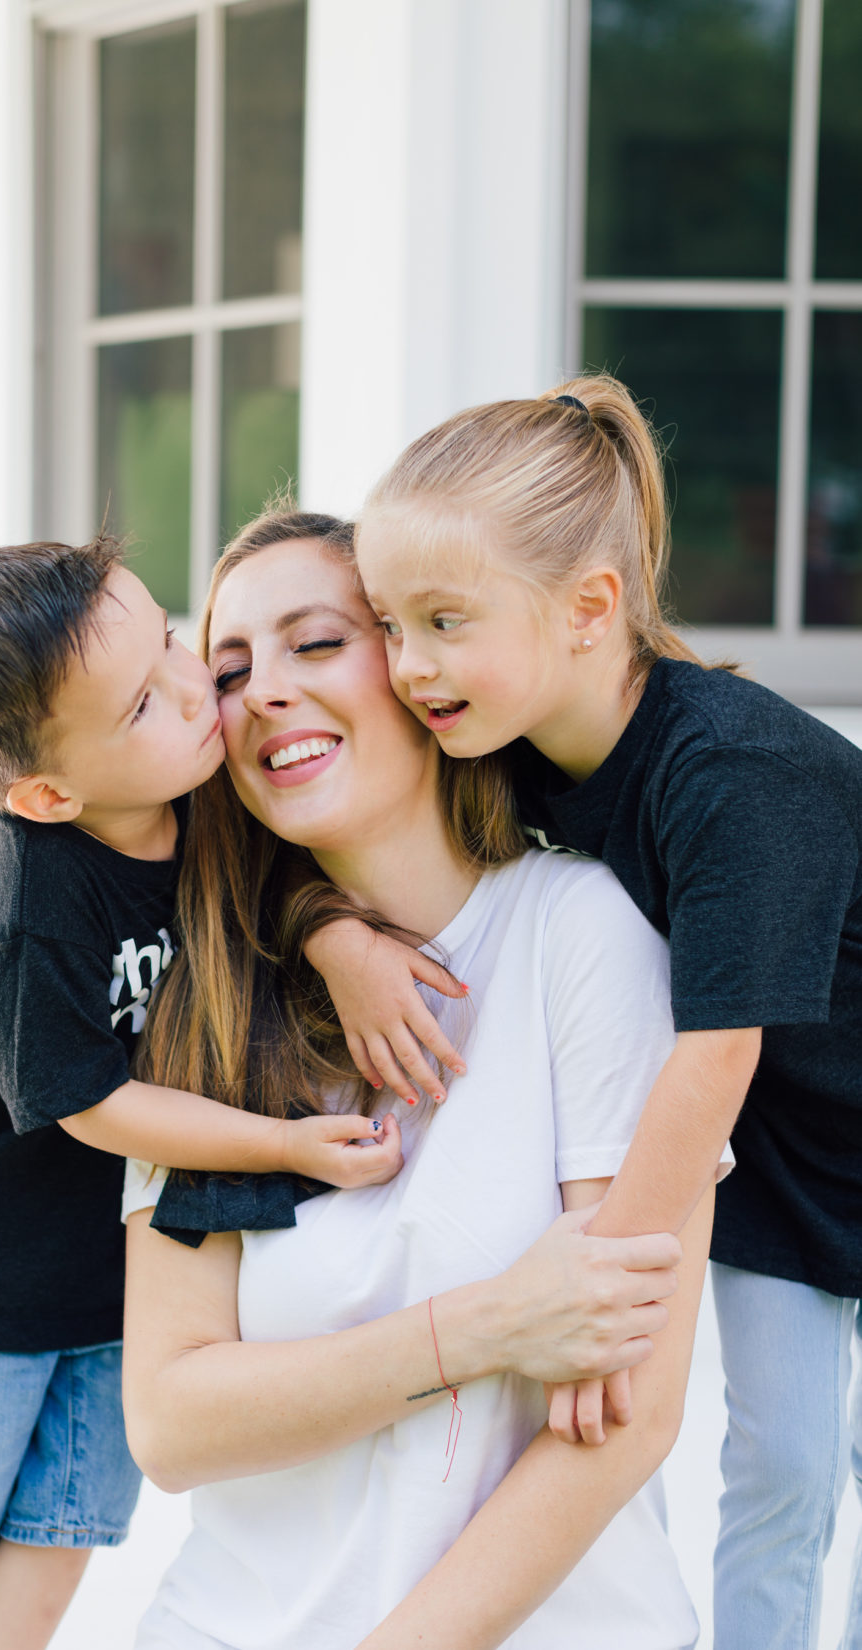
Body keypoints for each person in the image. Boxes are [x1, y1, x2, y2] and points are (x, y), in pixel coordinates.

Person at [119, 510, 718, 1649]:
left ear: (416, 670)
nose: (264, 693)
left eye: (317, 643)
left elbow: (624, 1419)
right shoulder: (206, 1004)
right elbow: (169, 1421)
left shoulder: (582, 932)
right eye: (229, 670)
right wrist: (487, 1327)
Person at [344, 376, 862, 1650]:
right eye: (389, 626)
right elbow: (353, 846)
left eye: (443, 622)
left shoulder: (733, 770)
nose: (407, 667)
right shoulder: (504, 744)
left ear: (588, 609)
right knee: (781, 1465)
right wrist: (332, 933)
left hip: (753, 1095)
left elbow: (712, 1049)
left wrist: (594, 1308)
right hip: (779, 1154)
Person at [0, 538, 405, 1650]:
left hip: (102, 1254)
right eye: (143, 704)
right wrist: (283, 1146)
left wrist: (342, 940)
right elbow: (90, 1103)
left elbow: (281, 880)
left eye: (166, 636)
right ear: (50, 792)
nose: (196, 687)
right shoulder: (34, 893)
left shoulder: (196, 787)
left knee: (64, 1518)